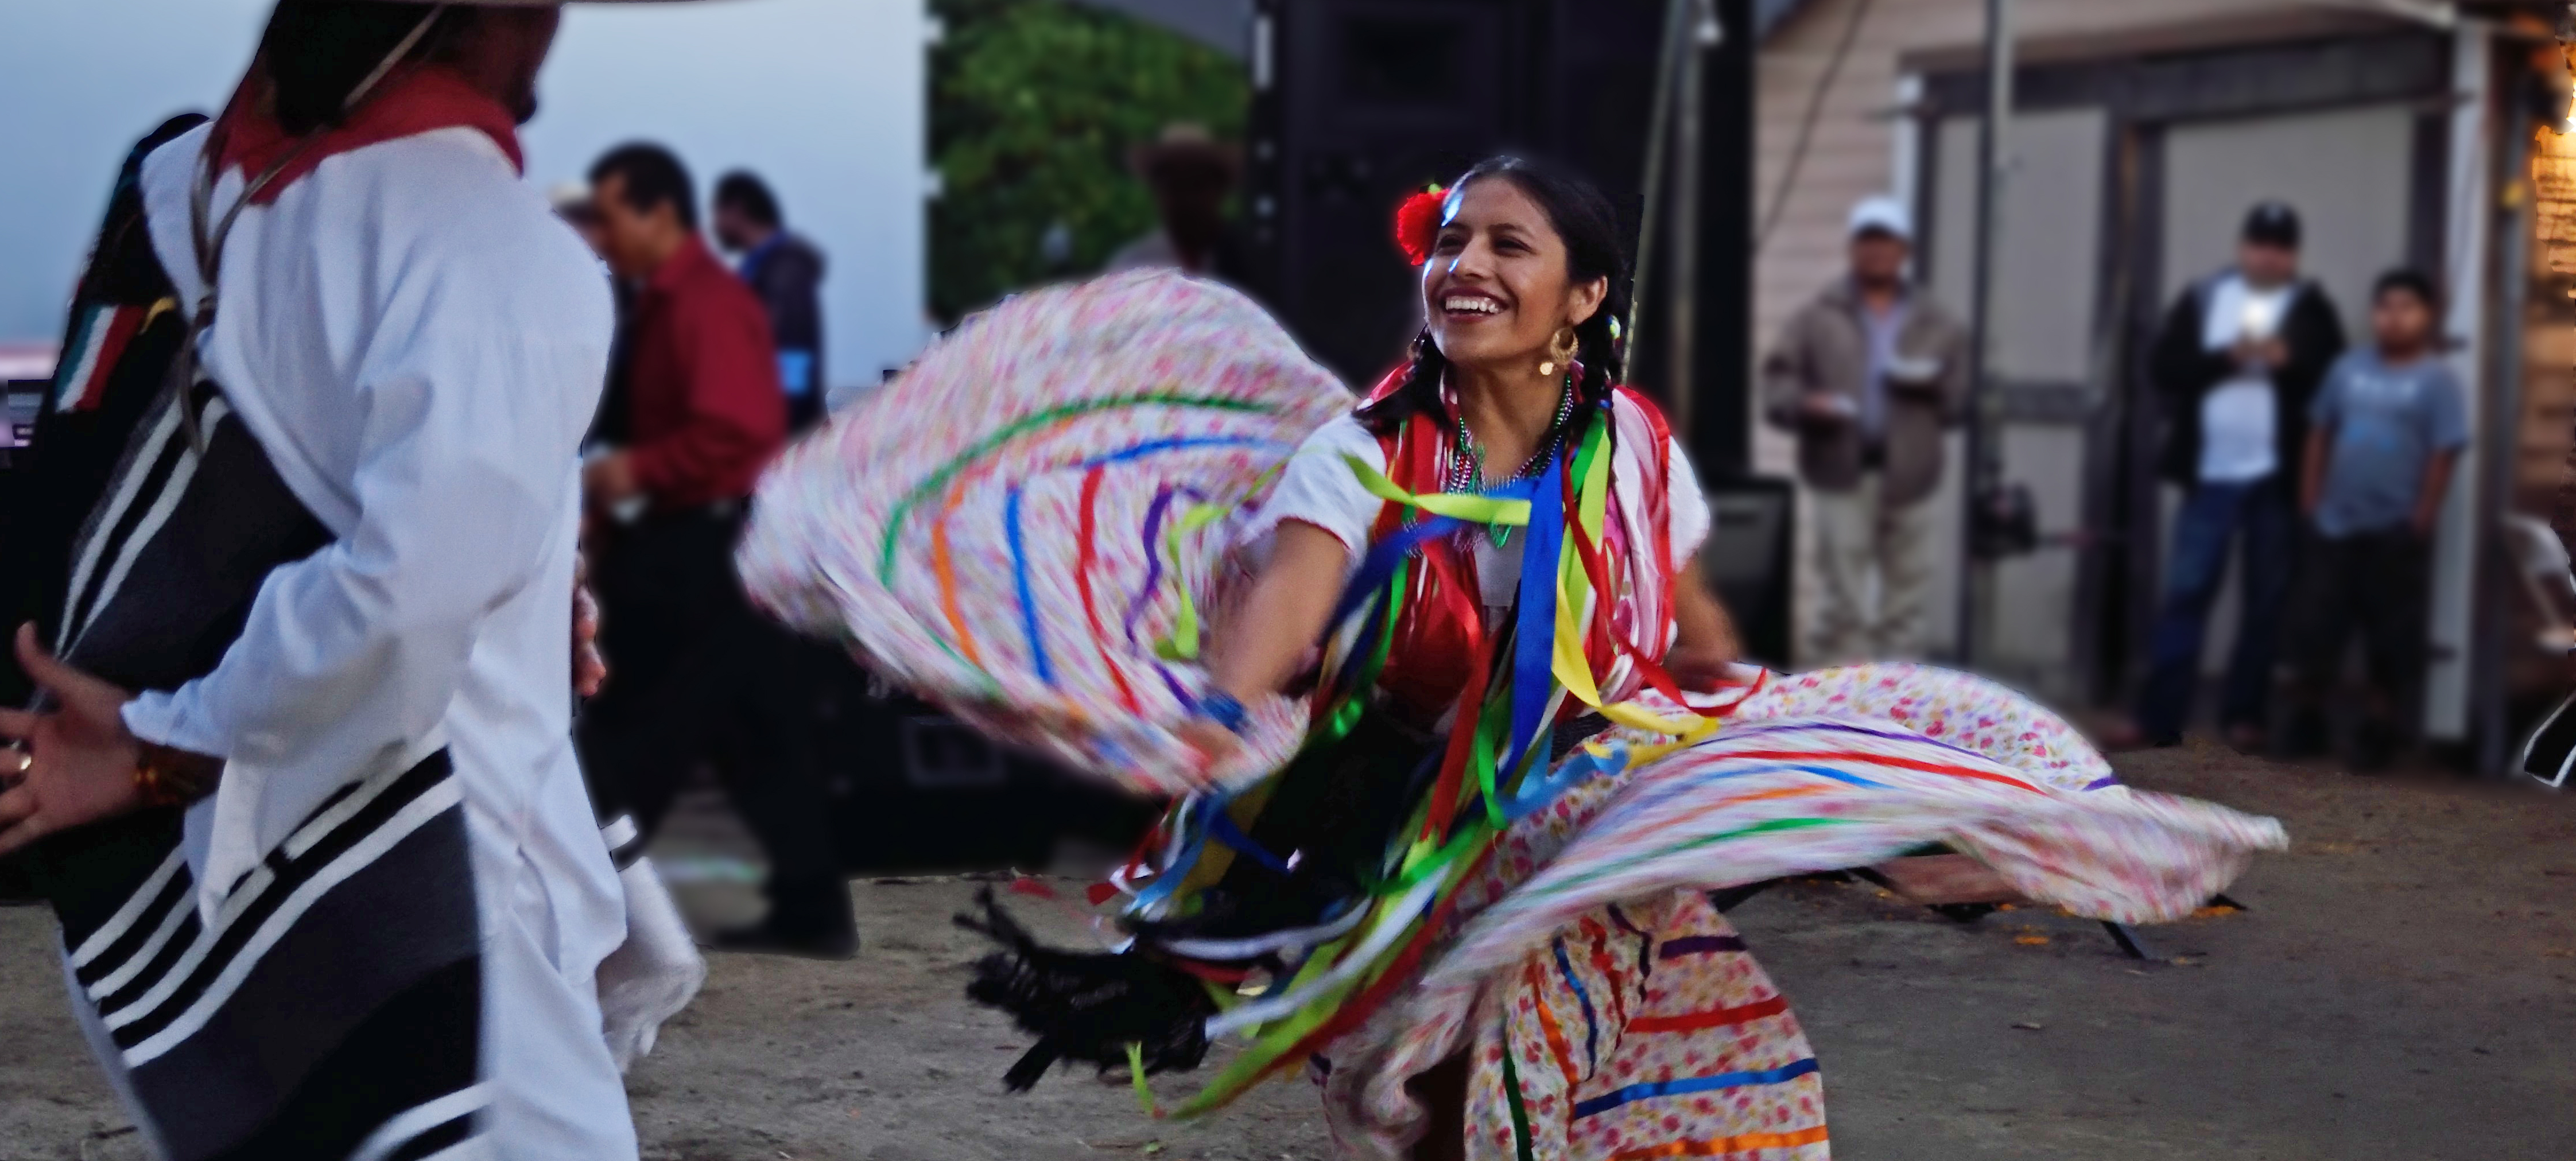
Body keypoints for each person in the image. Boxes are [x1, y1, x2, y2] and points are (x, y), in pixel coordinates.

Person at [741, 156, 2282, 1160]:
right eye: (1452, 240)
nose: (1463, 264)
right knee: (1435, 1105)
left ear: (1584, 296)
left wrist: (1819, 790)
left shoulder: (1627, 445)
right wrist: (1210, 724)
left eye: (1508, 243)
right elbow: (1272, 629)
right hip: (1403, 843)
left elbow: (1688, 648)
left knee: (1593, 1095)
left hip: (1584, 826)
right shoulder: (1359, 458)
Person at [0, 0, 805, 1156]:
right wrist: (167, 743)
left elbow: (304, 470)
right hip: (424, 852)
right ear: (503, 9)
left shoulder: (190, 188)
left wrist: (525, 546)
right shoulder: (497, 253)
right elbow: (401, 603)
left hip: (258, 863)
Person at [578, 143, 856, 958]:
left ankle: (603, 904)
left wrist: (634, 469)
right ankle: (812, 909)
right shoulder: (666, 301)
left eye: (612, 213)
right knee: (758, 733)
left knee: (637, 729)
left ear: (660, 214)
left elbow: (739, 429)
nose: (603, 233)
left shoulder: (706, 303)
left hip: (702, 542)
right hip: (700, 538)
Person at [2124, 201, 2346, 752]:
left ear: (2292, 256)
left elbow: (2333, 377)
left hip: (2276, 476)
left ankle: (2245, 715)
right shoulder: (2205, 300)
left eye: (2279, 247)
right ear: (2241, 247)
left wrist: (2286, 360)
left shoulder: (2311, 308)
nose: (2267, 256)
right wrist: (2225, 357)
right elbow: (2163, 368)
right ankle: (2158, 718)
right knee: (2185, 594)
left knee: (2267, 601)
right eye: (2259, 244)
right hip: (2211, 475)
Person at [1760, 196, 1968, 662]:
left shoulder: (1936, 320)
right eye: (1867, 242)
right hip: (1840, 472)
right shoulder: (1818, 317)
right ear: (1853, 249)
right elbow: (1777, 384)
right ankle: (1837, 714)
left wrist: (1932, 386)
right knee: (1842, 605)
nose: (1877, 253)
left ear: (1904, 251)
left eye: (1887, 243)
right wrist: (1804, 404)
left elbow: (1959, 400)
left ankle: (1898, 717)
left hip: (1913, 476)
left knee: (1906, 607)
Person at [2282, 269, 2468, 770]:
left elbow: (2443, 450)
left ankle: (2379, 728)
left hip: (2393, 529)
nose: (2394, 317)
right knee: (2317, 626)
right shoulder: (2347, 369)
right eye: (2385, 306)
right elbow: (2319, 431)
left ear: (2427, 316)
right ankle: (2307, 720)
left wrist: (2423, 514)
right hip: (2335, 524)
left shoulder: (2436, 380)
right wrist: (2309, 501)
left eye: (2406, 307)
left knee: (2389, 636)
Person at [713, 170, 829, 432]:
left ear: (737, 209)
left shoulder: (784, 271)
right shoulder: (761, 269)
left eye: (718, 213)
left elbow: (791, 353)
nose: (715, 224)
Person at [1106, 122, 1250, 284]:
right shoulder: (1133, 265)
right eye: (1175, 186)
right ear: (1157, 191)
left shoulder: (1253, 260)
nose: (1187, 198)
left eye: (1197, 184)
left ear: (1221, 189)